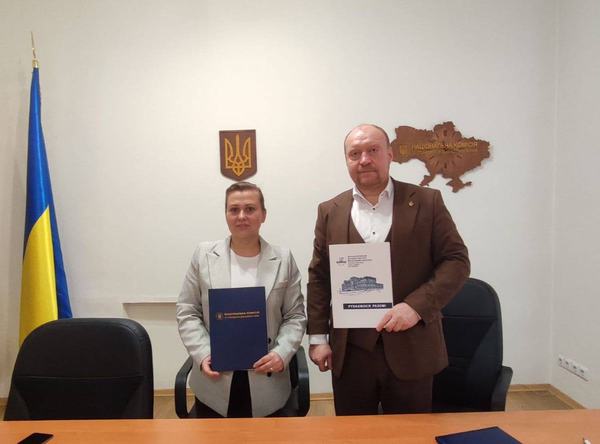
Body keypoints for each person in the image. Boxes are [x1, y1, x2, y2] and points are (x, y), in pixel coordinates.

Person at [307, 124, 470, 415]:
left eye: (373, 150)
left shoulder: (427, 202)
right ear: (347, 160)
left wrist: (416, 307)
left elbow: (456, 261)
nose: (364, 160)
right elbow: (319, 278)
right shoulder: (330, 210)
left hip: (412, 347)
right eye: (354, 154)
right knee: (354, 433)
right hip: (351, 353)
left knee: (411, 434)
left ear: (390, 154)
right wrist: (318, 338)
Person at [177, 181, 306, 418]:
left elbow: (295, 316)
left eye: (250, 209)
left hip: (267, 380)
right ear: (226, 214)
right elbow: (187, 310)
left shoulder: (284, 259)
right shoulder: (203, 255)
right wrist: (204, 352)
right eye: (234, 209)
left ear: (263, 215)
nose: (241, 216)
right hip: (215, 381)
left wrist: (282, 352)